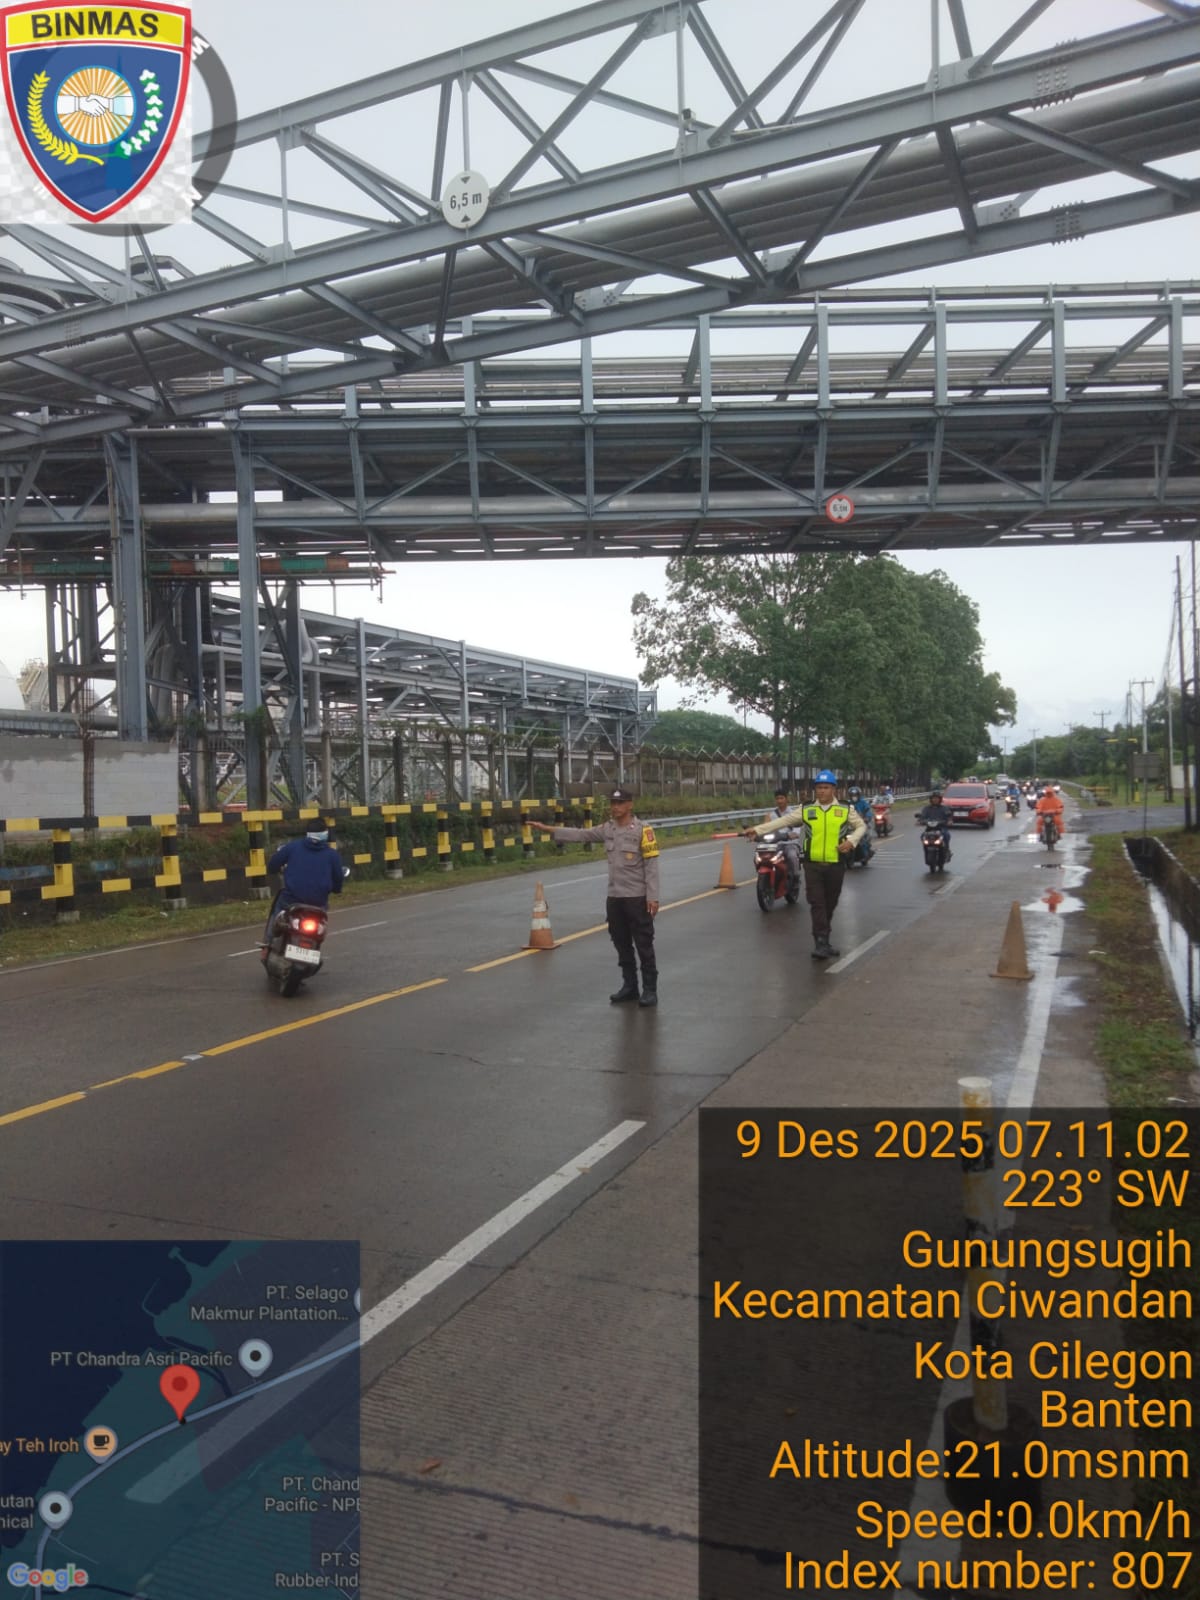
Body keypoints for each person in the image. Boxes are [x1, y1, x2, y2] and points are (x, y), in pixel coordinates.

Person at [530, 785, 661, 1006]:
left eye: (620, 803)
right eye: (613, 803)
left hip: (637, 898)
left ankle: (650, 990)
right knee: (621, 943)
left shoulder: (643, 830)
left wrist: (653, 897)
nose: (615, 807)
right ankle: (630, 986)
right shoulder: (608, 829)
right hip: (615, 898)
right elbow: (581, 834)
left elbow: (651, 866)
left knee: (644, 944)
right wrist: (549, 829)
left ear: (630, 805)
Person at [743, 769, 865, 960]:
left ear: (834, 789)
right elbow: (783, 821)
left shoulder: (845, 808)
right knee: (817, 903)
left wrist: (852, 841)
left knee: (830, 904)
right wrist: (757, 830)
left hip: (835, 864)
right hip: (812, 865)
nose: (822, 791)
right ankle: (820, 942)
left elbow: (861, 826)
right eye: (819, 787)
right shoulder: (807, 809)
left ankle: (825, 939)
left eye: (826, 787)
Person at [261, 825, 347, 956]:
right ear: (326, 835)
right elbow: (338, 878)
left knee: (277, 911)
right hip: (318, 903)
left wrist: (276, 869)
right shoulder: (332, 855)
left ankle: (267, 945)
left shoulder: (293, 847)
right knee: (322, 924)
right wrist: (337, 889)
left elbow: (272, 865)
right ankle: (315, 946)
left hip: (291, 900)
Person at [763, 787, 803, 891]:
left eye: (781, 798)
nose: (779, 801)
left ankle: (796, 878)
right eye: (777, 798)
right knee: (762, 855)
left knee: (792, 856)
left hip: (790, 843)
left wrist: (791, 835)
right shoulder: (770, 815)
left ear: (786, 799)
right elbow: (764, 828)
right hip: (775, 844)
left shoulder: (794, 814)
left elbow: (797, 831)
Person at [915, 790, 953, 858]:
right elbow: (922, 816)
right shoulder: (926, 808)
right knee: (922, 836)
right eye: (933, 798)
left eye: (937, 798)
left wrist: (949, 821)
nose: (935, 800)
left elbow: (949, 816)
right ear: (931, 799)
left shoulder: (944, 808)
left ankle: (947, 849)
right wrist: (919, 821)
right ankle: (926, 849)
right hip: (929, 829)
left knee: (946, 835)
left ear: (940, 799)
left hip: (941, 828)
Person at [847, 785, 875, 863]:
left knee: (862, 840)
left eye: (855, 795)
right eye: (852, 795)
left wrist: (867, 818)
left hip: (862, 825)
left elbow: (868, 811)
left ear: (859, 795)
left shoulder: (863, 803)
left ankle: (865, 855)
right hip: (850, 826)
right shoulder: (847, 803)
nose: (854, 797)